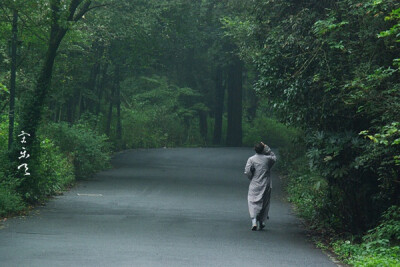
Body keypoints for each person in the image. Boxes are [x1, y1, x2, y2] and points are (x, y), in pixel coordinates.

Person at [244, 142, 277, 231]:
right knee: (264, 202)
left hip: (255, 183)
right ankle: (262, 221)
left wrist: (251, 177)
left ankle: (254, 221)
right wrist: (267, 148)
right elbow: (274, 157)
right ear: (263, 149)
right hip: (266, 183)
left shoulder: (251, 159)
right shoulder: (268, 159)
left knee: (252, 201)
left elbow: (247, 171)